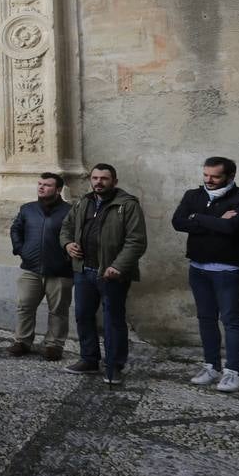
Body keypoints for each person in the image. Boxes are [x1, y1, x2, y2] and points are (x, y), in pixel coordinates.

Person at [60, 163, 147, 384]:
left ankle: (114, 366)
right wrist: (68, 244)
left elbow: (136, 241)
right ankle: (89, 359)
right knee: (83, 316)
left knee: (113, 320)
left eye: (104, 178)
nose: (99, 182)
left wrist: (118, 266)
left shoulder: (127, 205)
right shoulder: (83, 202)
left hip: (111, 273)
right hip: (83, 270)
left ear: (114, 181)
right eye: (95, 178)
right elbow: (66, 227)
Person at [172, 156, 239, 394]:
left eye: (215, 176)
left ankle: (233, 372)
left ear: (230, 176)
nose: (209, 180)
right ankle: (211, 367)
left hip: (229, 272)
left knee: (231, 320)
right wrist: (216, 221)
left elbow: (232, 228)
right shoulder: (193, 196)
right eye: (206, 174)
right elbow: (178, 222)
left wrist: (197, 218)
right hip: (198, 268)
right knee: (206, 318)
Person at [8, 172, 72, 360]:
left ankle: (54, 345)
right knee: (24, 306)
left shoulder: (70, 211)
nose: (41, 187)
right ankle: (22, 341)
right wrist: (21, 249)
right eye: (39, 184)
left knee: (58, 311)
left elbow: (77, 236)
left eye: (47, 185)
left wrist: (68, 257)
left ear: (58, 190)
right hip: (31, 268)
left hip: (60, 270)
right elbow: (16, 229)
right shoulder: (28, 209)